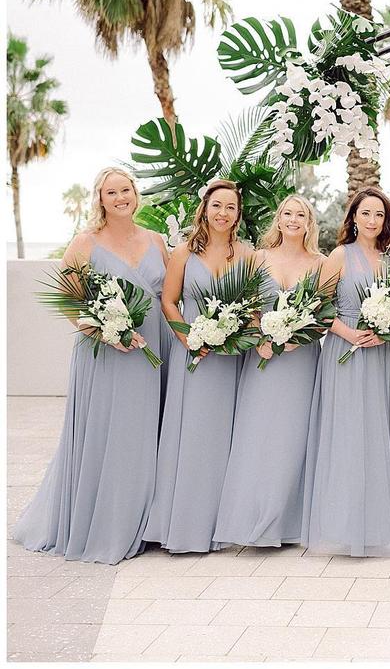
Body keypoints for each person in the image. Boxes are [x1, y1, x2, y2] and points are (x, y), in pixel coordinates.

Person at [13, 167, 169, 564]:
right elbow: (67, 300)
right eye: (111, 192)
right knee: (110, 432)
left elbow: (171, 297)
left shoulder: (156, 241)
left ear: (136, 194)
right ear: (99, 199)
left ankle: (144, 519)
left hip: (154, 346)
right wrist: (105, 331)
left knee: (147, 432)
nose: (120, 197)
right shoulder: (85, 242)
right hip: (106, 353)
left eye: (126, 190)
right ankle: (106, 523)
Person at [300, 187, 390, 556]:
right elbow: (316, 307)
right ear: (353, 217)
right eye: (365, 213)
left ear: (386, 221)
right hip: (344, 352)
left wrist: (388, 332)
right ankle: (344, 524)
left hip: (383, 356)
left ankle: (381, 524)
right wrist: (349, 332)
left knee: (379, 435)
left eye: (379, 215)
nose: (372, 221)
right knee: (348, 435)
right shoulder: (339, 256)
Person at [144, 179, 255, 553]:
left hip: (230, 359)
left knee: (226, 434)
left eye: (231, 207)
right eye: (217, 205)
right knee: (190, 432)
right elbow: (169, 302)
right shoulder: (183, 252)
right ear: (205, 207)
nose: (223, 213)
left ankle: (219, 523)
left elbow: (254, 306)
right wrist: (190, 337)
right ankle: (183, 524)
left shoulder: (246, 254)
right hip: (192, 354)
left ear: (239, 214)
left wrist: (236, 333)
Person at [214, 195, 326, 549]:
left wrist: (297, 338)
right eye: (287, 214)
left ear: (309, 223)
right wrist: (260, 336)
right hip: (261, 356)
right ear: (278, 220)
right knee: (257, 433)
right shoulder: (258, 258)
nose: (293, 220)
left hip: (301, 359)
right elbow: (243, 307)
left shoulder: (321, 263)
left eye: (301, 215)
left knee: (293, 438)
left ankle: (288, 522)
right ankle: (251, 520)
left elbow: (325, 314)